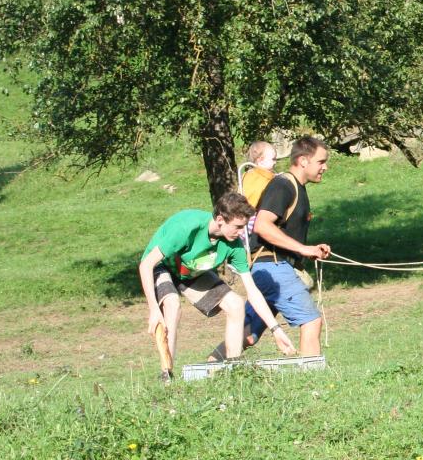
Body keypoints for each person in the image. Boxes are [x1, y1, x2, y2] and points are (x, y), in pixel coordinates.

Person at [139, 192, 295, 382]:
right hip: (160, 266)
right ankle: (167, 375)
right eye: (237, 227)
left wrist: (276, 330)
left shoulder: (234, 245)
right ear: (220, 219)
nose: (240, 233)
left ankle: (235, 372)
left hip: (190, 271)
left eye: (244, 227)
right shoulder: (187, 227)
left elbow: (252, 291)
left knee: (236, 304)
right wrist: (154, 310)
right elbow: (146, 265)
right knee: (172, 304)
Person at [241, 135, 332, 357]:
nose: (325, 167)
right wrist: (303, 249)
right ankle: (311, 383)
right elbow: (262, 225)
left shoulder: (298, 188)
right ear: (303, 160)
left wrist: (310, 249)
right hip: (272, 266)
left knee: (245, 334)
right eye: (321, 161)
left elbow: (282, 231)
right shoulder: (283, 185)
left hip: (268, 269)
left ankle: (209, 368)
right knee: (311, 321)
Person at [240, 140, 277, 206]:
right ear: (260, 160)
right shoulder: (262, 179)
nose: (275, 162)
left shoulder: (247, 175)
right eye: (273, 159)